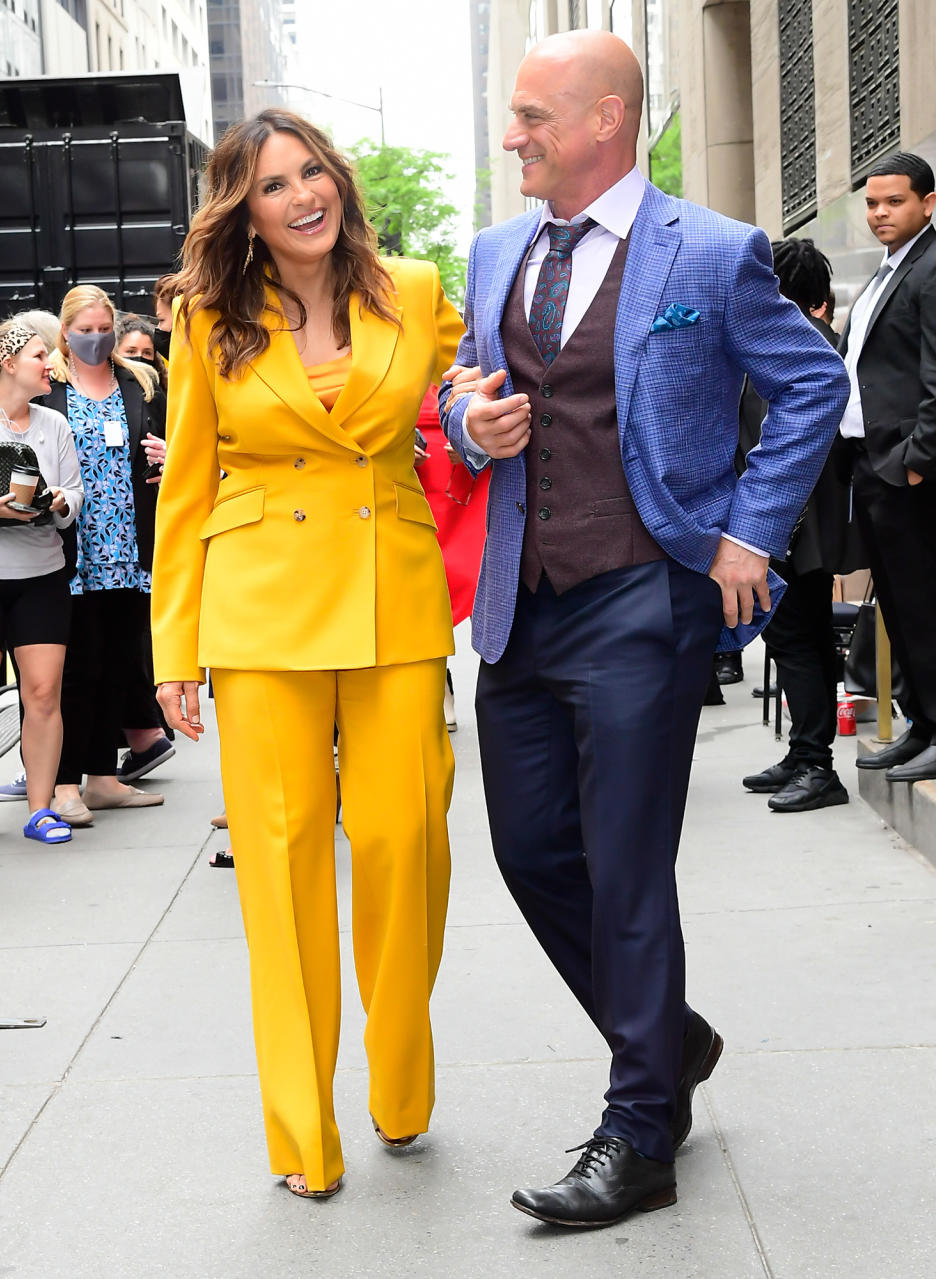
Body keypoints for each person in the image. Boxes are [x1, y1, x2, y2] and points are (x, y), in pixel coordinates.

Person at [441, 30, 848, 1228]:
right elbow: (470, 385)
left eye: (530, 116)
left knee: (627, 865)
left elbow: (811, 383)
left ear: (603, 119)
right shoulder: (493, 249)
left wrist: (748, 533)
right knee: (529, 853)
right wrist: (474, 427)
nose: (511, 134)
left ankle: (639, 1131)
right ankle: (671, 1036)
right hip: (525, 604)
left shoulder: (714, 253)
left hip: (643, 592)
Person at [151, 108, 463, 1199]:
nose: (303, 195)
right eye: (275, 184)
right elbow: (185, 485)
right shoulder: (206, 318)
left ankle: (399, 1076)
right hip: (258, 610)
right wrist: (173, 649)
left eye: (313, 171)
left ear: (339, 180)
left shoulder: (415, 290)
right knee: (279, 875)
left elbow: (467, 409)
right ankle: (301, 1135)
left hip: (391, 602)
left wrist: (476, 417)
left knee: (407, 845)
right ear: (247, 209)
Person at [41, 286, 169, 825]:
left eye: (103, 330)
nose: (96, 340)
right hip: (72, 548)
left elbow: (170, 441)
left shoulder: (139, 382)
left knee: (121, 660)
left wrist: (168, 455)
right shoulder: (50, 387)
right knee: (77, 667)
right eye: (85, 330)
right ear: (65, 331)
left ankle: (104, 778)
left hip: (128, 544)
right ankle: (65, 783)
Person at [740, 238, 859, 811]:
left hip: (786, 524)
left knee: (794, 640)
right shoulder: (805, 342)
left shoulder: (784, 346)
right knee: (802, 638)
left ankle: (816, 762)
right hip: (799, 522)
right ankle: (805, 752)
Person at [837, 152, 936, 784]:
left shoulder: (929, 270)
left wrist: (915, 463)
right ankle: (922, 724)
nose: (879, 214)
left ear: (928, 202)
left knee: (926, 606)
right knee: (899, 607)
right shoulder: (888, 271)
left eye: (893, 202)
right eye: (872, 204)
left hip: (908, 473)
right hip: (873, 467)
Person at [0, 320, 84, 842]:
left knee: (43, 694)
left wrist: (61, 501)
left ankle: (41, 810)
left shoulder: (53, 424)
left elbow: (73, 493)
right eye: (42, 354)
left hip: (42, 573)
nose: (52, 363)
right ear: (8, 363)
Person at [413, 384, 491, 729]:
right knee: (414, 578)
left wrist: (472, 435)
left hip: (459, 415)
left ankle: (502, 673)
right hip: (406, 431)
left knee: (476, 568)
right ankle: (434, 675)